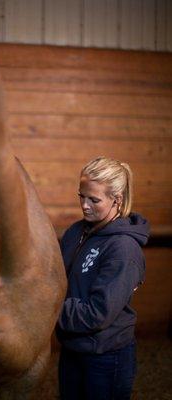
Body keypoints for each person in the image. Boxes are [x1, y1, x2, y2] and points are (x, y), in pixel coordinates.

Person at [56, 156, 150, 400]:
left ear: (116, 200)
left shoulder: (123, 249)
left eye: (94, 200)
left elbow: (97, 314)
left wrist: (47, 307)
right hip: (72, 350)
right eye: (81, 196)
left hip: (106, 356)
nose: (84, 206)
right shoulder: (76, 232)